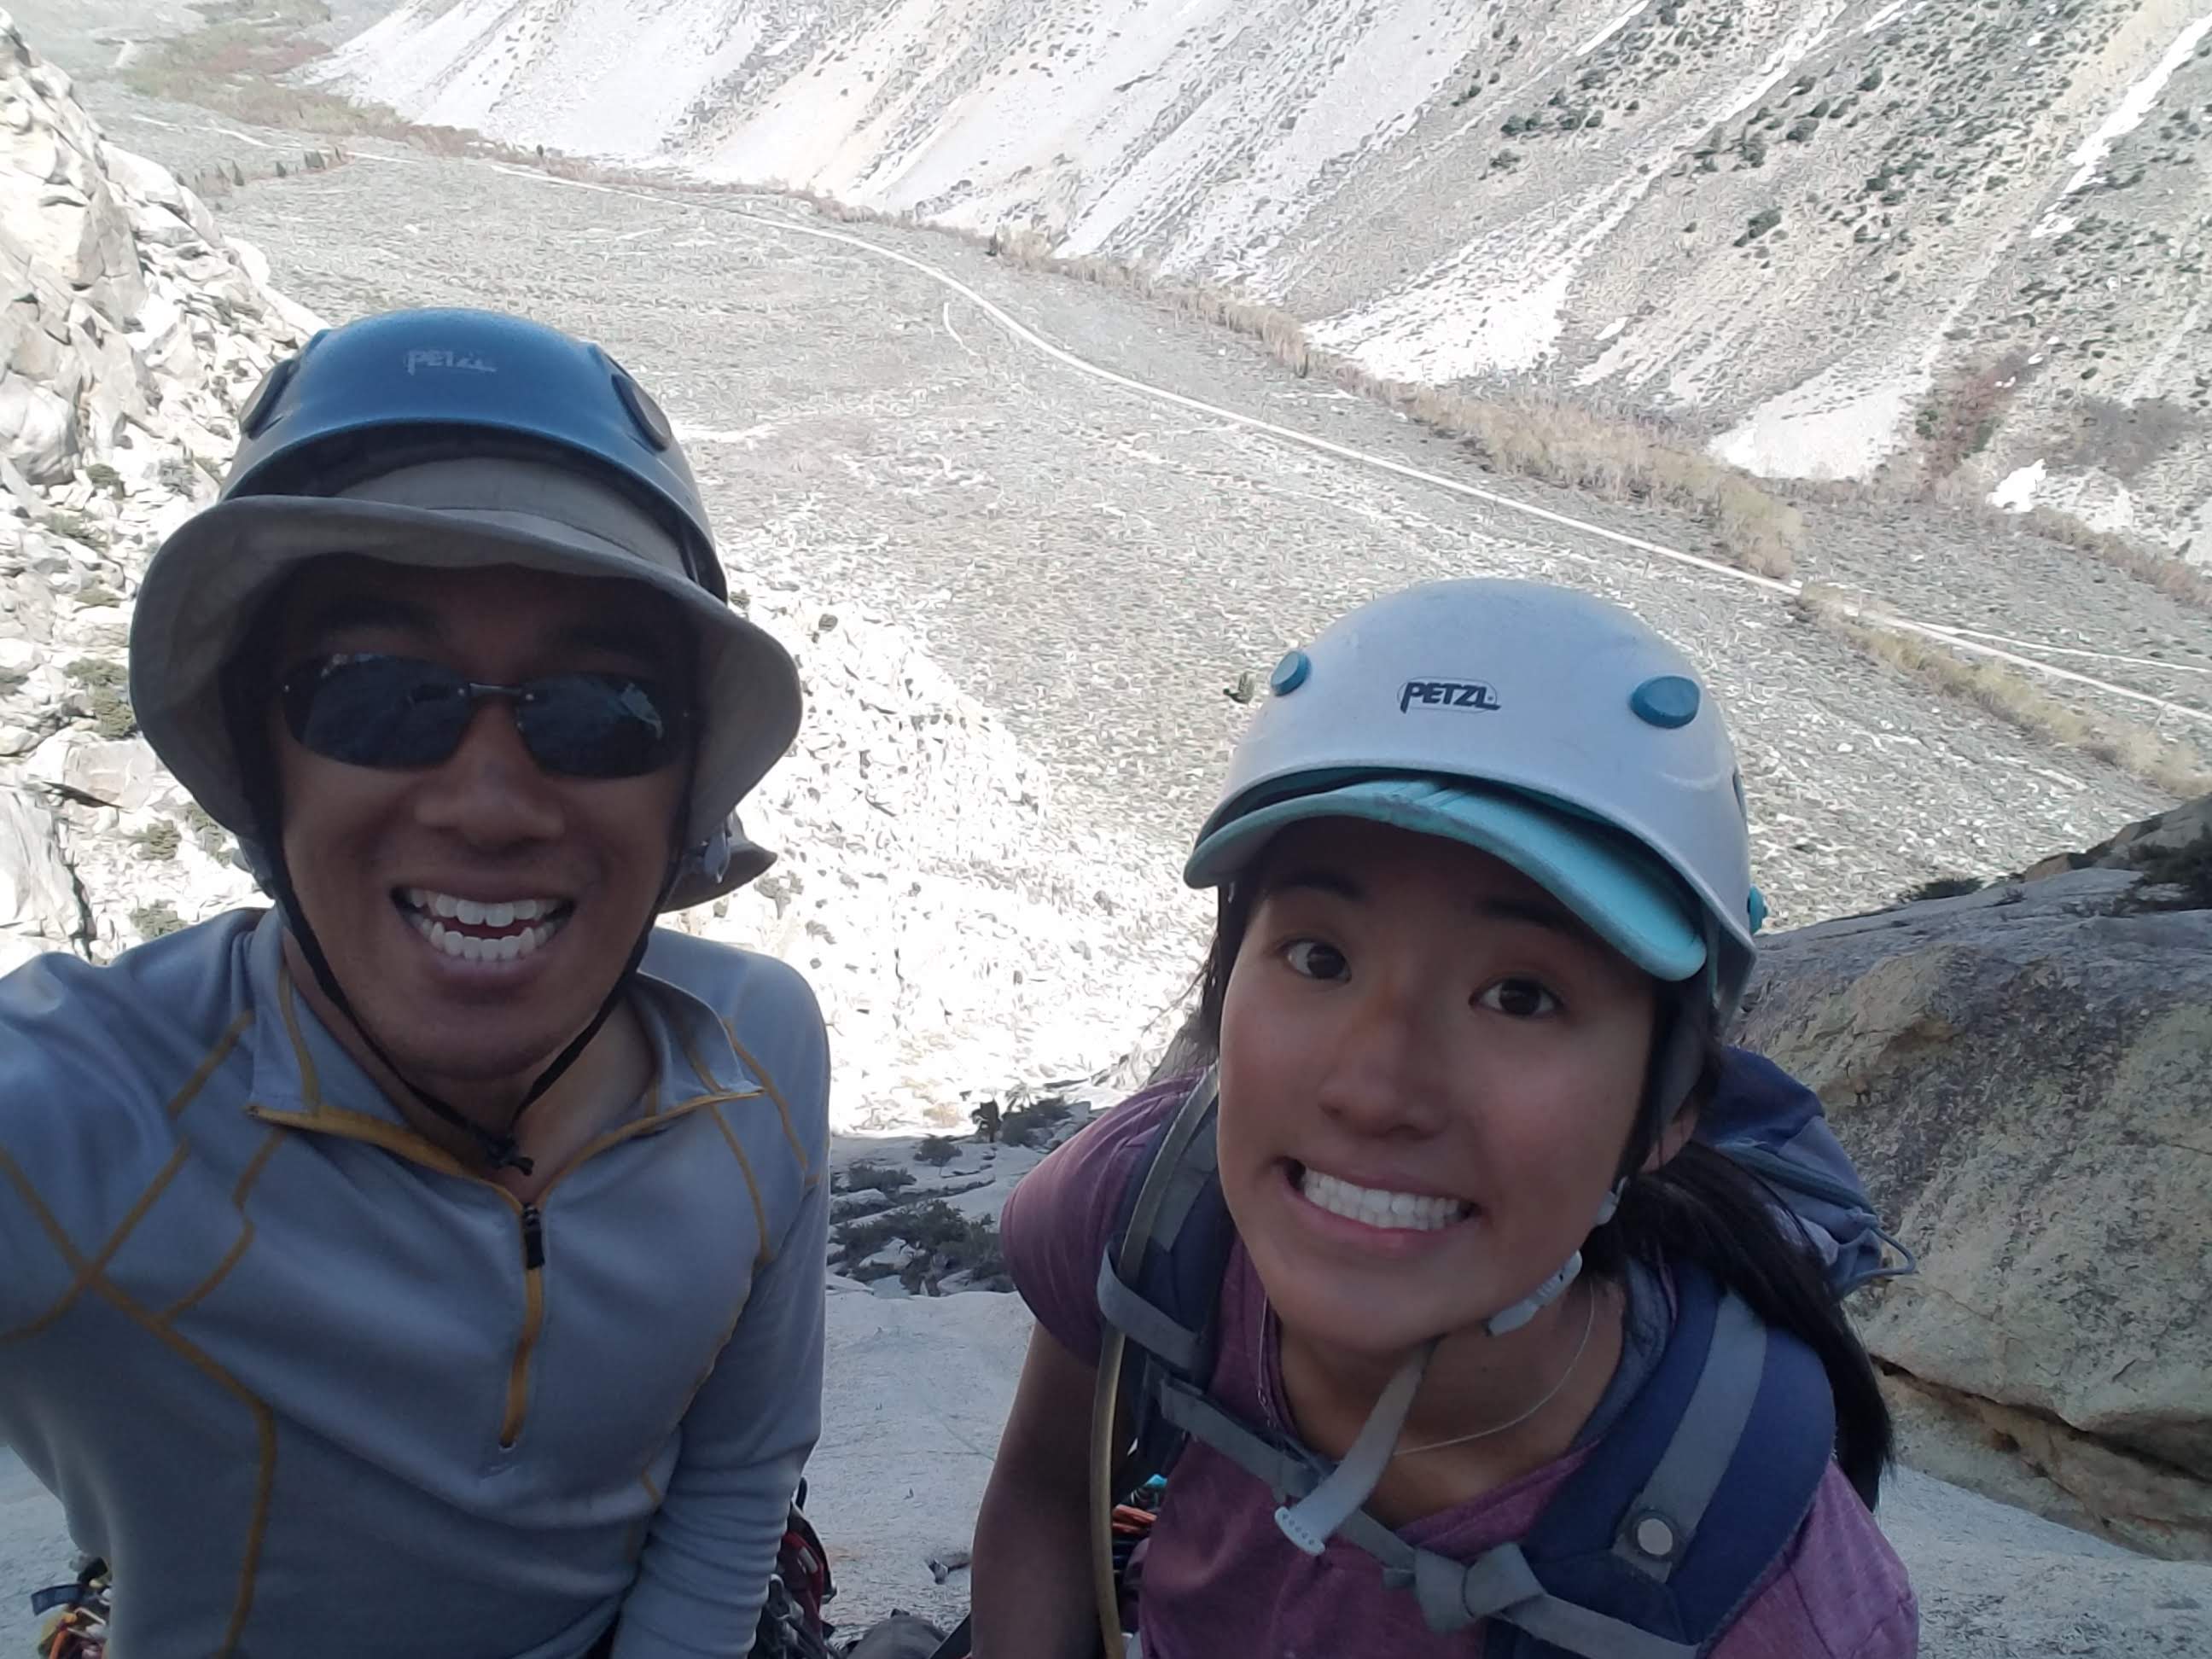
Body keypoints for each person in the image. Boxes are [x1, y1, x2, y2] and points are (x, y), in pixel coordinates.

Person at [0, 307, 830, 1658]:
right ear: (263, 766)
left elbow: (739, 1468)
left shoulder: (760, 1051)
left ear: (682, 794)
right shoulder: (83, 1125)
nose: (491, 805)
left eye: (600, 709)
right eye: (374, 695)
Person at [970, 579, 1918, 1656]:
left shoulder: (1783, 1622)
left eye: (1521, 995)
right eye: (1320, 957)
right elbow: (1050, 1494)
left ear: (1670, 1107)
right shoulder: (1143, 1210)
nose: (1375, 1091)